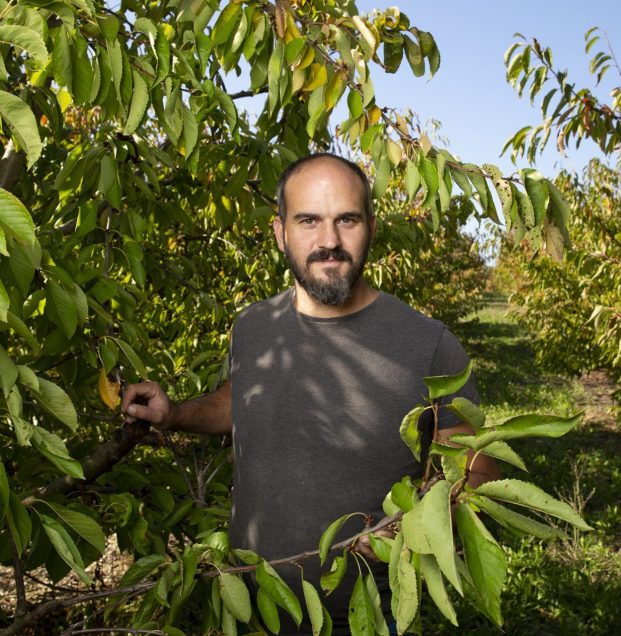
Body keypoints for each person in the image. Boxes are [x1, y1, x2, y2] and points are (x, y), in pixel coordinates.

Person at [122, 153, 499, 634]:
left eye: (347, 219)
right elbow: (243, 400)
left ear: (372, 227)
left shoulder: (429, 346)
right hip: (247, 601)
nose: (329, 242)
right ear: (280, 232)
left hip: (362, 614)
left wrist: (415, 522)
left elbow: (478, 475)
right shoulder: (254, 326)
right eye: (308, 221)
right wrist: (174, 414)